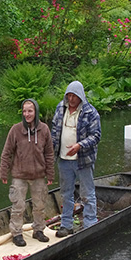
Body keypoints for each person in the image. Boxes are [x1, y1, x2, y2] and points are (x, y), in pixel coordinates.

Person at [0, 98, 54, 247]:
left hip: (39, 176)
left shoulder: (44, 129)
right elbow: (6, 153)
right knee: (18, 206)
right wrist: (3, 172)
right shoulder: (15, 130)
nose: (27, 114)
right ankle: (16, 233)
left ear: (35, 112)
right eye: (24, 111)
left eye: (30, 111)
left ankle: (38, 230)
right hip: (19, 175)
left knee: (40, 205)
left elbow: (49, 153)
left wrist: (50, 174)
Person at [51, 80, 101, 237]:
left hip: (83, 160)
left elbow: (96, 136)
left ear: (81, 97)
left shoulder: (91, 113)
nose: (71, 99)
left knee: (87, 193)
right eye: (69, 95)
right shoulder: (61, 108)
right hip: (64, 160)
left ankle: (90, 223)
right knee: (66, 193)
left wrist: (80, 145)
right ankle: (66, 225)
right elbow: (54, 131)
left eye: (74, 96)